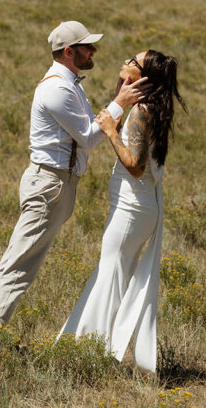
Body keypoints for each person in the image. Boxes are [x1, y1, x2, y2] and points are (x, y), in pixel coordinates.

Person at [0, 20, 145, 329]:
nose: (94, 50)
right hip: (50, 184)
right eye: (88, 46)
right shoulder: (58, 88)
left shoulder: (69, 84)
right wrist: (121, 102)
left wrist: (116, 102)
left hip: (57, 185)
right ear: (70, 52)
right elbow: (89, 136)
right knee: (18, 266)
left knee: (23, 264)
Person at [57, 49, 185, 372]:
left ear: (143, 78)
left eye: (133, 61)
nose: (125, 61)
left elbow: (136, 166)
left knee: (109, 275)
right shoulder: (146, 106)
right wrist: (122, 89)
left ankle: (87, 350)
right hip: (136, 208)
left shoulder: (142, 111)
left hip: (132, 210)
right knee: (112, 273)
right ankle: (91, 347)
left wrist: (112, 132)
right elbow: (118, 98)